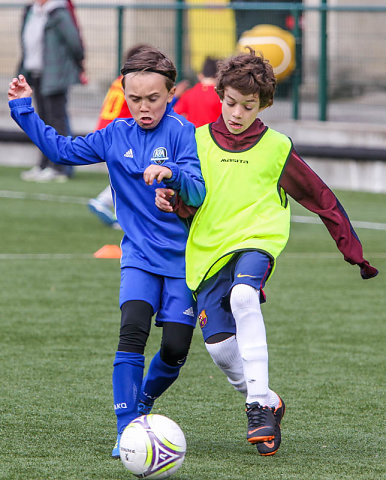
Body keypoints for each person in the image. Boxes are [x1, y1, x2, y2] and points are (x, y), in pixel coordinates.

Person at [155, 49, 378, 456]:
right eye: (231, 103)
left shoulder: (276, 148)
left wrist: (355, 253)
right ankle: (269, 399)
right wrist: (172, 199)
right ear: (219, 93)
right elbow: (191, 194)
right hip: (208, 253)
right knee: (221, 350)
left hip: (257, 242)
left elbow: (320, 197)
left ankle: (256, 408)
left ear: (265, 105)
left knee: (244, 296)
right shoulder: (197, 141)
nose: (237, 113)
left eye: (248, 106)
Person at [8, 44, 205, 458]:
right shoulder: (116, 134)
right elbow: (62, 150)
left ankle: (144, 402)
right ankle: (126, 427)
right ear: (124, 94)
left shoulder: (183, 132)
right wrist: (24, 109)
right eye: (135, 99)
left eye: (153, 99)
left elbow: (199, 189)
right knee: (131, 330)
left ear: (170, 95)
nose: (143, 107)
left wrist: (172, 175)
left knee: (174, 349)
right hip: (137, 255)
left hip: (185, 259)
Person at [88, 51, 189, 228]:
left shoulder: (123, 82)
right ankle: (108, 203)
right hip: (118, 134)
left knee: (133, 173)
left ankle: (113, 206)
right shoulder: (141, 87)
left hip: (105, 128)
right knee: (139, 173)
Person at [18, 0, 85, 183]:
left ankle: (60, 168)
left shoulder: (58, 12)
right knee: (43, 120)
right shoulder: (31, 11)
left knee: (57, 120)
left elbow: (75, 44)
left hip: (55, 75)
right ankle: (44, 165)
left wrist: (74, 67)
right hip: (36, 74)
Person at [174, 56, 222, 128]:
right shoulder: (220, 95)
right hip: (213, 136)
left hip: (193, 136)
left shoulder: (189, 93)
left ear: (200, 75)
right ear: (219, 76)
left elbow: (176, 113)